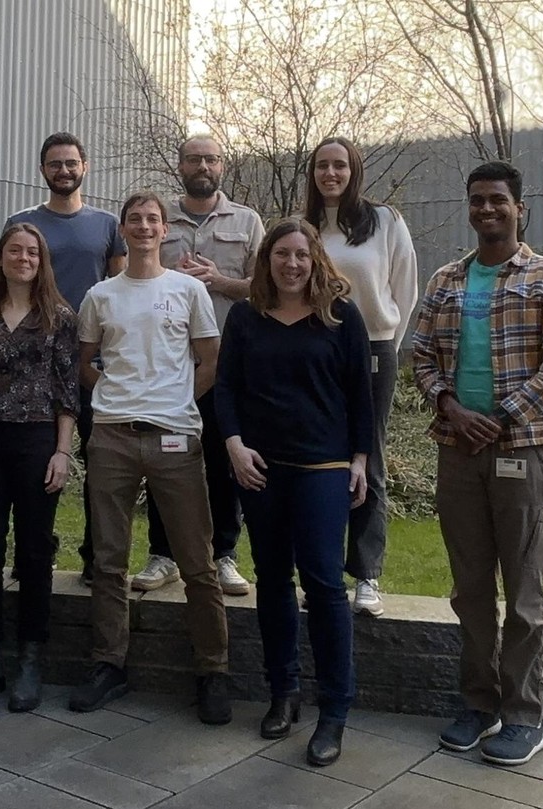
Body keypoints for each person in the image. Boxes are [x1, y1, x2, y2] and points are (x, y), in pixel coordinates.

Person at [411, 161, 543, 766]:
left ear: (520, 208)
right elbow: (421, 356)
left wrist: (501, 416)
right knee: (470, 589)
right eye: (478, 201)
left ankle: (522, 716)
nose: (487, 210)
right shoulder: (446, 280)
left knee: (525, 590)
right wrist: (452, 409)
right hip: (458, 452)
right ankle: (478, 705)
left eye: (498, 201)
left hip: (524, 451)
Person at [215, 218, 372, 765]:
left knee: (325, 583)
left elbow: (361, 394)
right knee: (273, 580)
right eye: (281, 254)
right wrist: (233, 445)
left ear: (315, 260)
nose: (292, 264)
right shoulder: (245, 317)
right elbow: (226, 387)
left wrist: (359, 460)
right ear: (267, 261)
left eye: (301, 255)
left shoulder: (340, 318)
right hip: (261, 467)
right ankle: (284, 693)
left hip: (323, 466)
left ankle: (335, 711)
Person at [70, 192, 231, 724]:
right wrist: (113, 392)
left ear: (166, 231)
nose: (144, 227)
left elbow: (209, 360)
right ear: (123, 230)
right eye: (135, 219)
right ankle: (108, 664)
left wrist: (178, 398)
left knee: (196, 562)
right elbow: (85, 361)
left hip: (174, 436)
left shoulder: (187, 290)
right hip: (113, 436)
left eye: (153, 220)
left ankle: (213, 670)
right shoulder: (100, 295)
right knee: (109, 561)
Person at [0, 223, 79, 712]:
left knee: (33, 553)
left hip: (37, 442)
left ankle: (30, 658)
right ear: (1, 258)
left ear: (41, 260)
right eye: (14, 250)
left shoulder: (60, 317)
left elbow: (69, 393)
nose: (23, 258)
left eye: (32, 251)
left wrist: (63, 452)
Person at [133, 134, 264, 598]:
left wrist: (219, 280)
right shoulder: (159, 220)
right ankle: (163, 554)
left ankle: (224, 554)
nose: (202, 166)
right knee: (166, 459)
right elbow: (138, 277)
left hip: (229, 364)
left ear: (222, 166)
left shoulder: (247, 221)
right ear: (181, 166)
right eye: (194, 159)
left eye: (210, 159)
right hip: (169, 365)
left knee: (224, 460)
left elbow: (266, 288)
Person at [305, 136, 418, 618]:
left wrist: (387, 345)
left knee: (366, 457)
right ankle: (321, 574)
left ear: (354, 171)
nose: (331, 174)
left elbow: (405, 289)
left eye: (340, 165)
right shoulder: (306, 228)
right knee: (320, 462)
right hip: (317, 351)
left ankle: (367, 575)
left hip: (372, 350)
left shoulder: (385, 221)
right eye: (322, 166)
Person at [5, 132, 126, 584]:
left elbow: (121, 291)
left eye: (71, 163)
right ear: (43, 170)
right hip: (33, 364)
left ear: (85, 166)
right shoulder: (22, 223)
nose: (64, 170)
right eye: (55, 164)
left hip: (91, 361)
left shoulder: (107, 225)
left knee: (102, 463)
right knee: (35, 462)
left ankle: (96, 557)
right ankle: (34, 552)